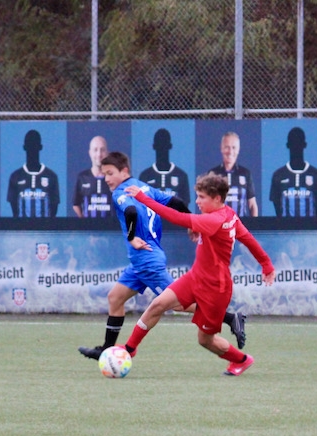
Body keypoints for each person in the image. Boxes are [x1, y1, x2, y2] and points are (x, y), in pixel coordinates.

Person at [77, 152, 247, 360]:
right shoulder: (143, 187)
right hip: (141, 261)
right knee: (115, 297)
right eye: (104, 174)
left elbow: (131, 211)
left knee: (176, 303)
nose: (106, 179)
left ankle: (229, 318)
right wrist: (191, 222)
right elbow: (175, 201)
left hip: (146, 259)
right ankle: (106, 349)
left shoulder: (121, 192)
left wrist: (131, 237)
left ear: (124, 171)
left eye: (110, 173)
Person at [121, 173, 275, 376]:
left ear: (217, 198)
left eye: (202, 197)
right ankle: (129, 349)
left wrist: (143, 198)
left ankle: (242, 360)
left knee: (205, 340)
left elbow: (176, 217)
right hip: (195, 278)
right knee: (158, 304)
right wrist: (266, 265)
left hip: (215, 289)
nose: (197, 201)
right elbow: (248, 239)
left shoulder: (214, 220)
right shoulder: (228, 214)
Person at [268, 127, 317, 217]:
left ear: (304, 145)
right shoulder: (278, 175)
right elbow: (277, 208)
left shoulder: (316, 175)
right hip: (286, 226)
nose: (296, 147)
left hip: (310, 226)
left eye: (299, 143)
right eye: (293, 143)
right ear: (288, 145)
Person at [7, 129, 59, 217]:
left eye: (35, 145)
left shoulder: (51, 176)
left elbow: (54, 209)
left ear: (40, 147)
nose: (32, 148)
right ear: (24, 147)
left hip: (45, 226)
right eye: (30, 145)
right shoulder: (15, 176)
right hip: (22, 226)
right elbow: (14, 210)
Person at [208, 131, 257, 217]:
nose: (230, 151)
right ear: (221, 148)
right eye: (227, 147)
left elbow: (252, 205)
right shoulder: (213, 174)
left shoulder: (245, 173)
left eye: (234, 147)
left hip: (240, 223)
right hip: (219, 224)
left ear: (238, 150)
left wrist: (255, 224)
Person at [138, 128, 190, 205]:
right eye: (159, 145)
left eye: (165, 145)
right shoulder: (145, 176)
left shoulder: (181, 176)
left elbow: (185, 205)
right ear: (154, 146)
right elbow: (140, 204)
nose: (162, 148)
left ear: (170, 146)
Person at [71, 135, 113, 218]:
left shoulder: (114, 178)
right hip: (89, 226)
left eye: (102, 150)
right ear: (90, 153)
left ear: (107, 153)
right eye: (95, 150)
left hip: (110, 226)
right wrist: (84, 221)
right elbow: (76, 204)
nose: (99, 154)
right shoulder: (82, 177)